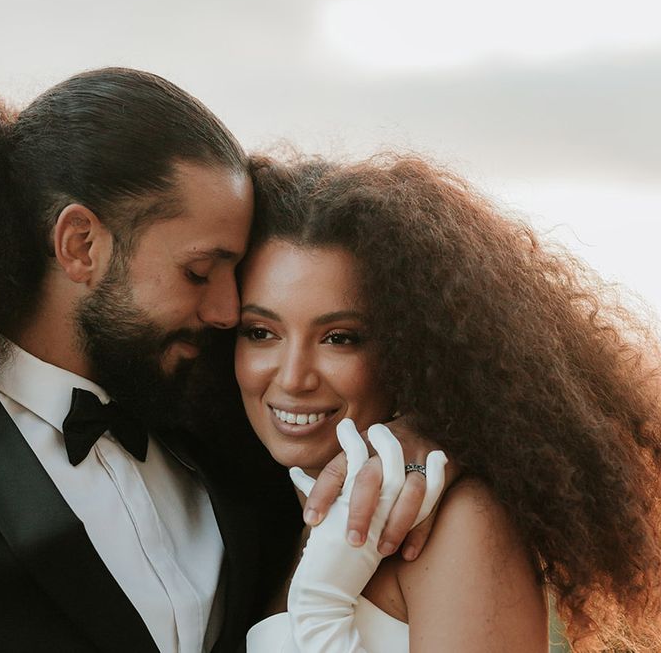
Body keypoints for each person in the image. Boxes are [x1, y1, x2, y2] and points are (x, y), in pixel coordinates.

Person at [0, 70, 437, 653]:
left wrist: (411, 435)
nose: (229, 311)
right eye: (199, 272)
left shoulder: (225, 422)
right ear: (81, 245)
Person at [234, 154, 661, 652]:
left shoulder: (464, 522)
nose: (293, 377)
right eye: (260, 332)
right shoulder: (255, 511)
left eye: (341, 338)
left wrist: (319, 608)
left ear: (413, 348)